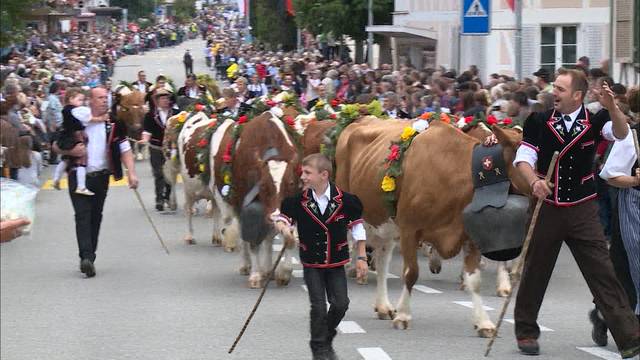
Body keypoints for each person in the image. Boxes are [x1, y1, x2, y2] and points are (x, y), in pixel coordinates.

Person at [513, 68, 640, 358]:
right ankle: (526, 331)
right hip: (548, 205)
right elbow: (524, 157)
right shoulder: (539, 120)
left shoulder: (596, 120)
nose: (552, 93)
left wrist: (612, 107)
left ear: (577, 95)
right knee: (536, 270)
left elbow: (621, 134)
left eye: (559, 89)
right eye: (554, 87)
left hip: (583, 207)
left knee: (603, 270)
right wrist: (534, 181)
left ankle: (628, 334)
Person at [275, 153, 368, 360]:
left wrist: (362, 258)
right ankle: (319, 349)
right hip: (312, 263)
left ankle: (325, 337)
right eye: (303, 172)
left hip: (336, 263)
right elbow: (282, 219)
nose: (303, 177)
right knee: (318, 306)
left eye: (308, 173)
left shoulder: (347, 201)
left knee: (341, 304)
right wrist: (284, 230)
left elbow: (358, 229)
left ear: (323, 175)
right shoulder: (297, 202)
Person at [53, 87, 138, 278]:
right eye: (99, 98)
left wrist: (131, 173)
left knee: (96, 216)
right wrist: (69, 152)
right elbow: (55, 145)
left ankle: (90, 255)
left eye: (105, 98)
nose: (104, 101)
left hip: (101, 176)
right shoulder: (76, 119)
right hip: (78, 174)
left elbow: (125, 148)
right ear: (89, 101)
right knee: (82, 214)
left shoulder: (114, 123)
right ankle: (86, 258)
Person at [52, 88, 94, 196]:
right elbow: (85, 119)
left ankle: (56, 178)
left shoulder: (66, 110)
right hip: (74, 136)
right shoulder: (73, 110)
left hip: (67, 136)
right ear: (71, 99)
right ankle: (81, 186)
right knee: (81, 161)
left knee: (66, 159)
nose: (81, 103)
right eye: (79, 100)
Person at [141, 89, 175, 211]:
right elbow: (146, 131)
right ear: (156, 101)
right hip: (156, 147)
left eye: (167, 98)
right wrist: (144, 140)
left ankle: (168, 196)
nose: (166, 100)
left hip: (171, 149)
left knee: (169, 174)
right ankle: (159, 199)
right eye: (162, 98)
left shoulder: (176, 114)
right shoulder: (150, 115)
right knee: (158, 173)